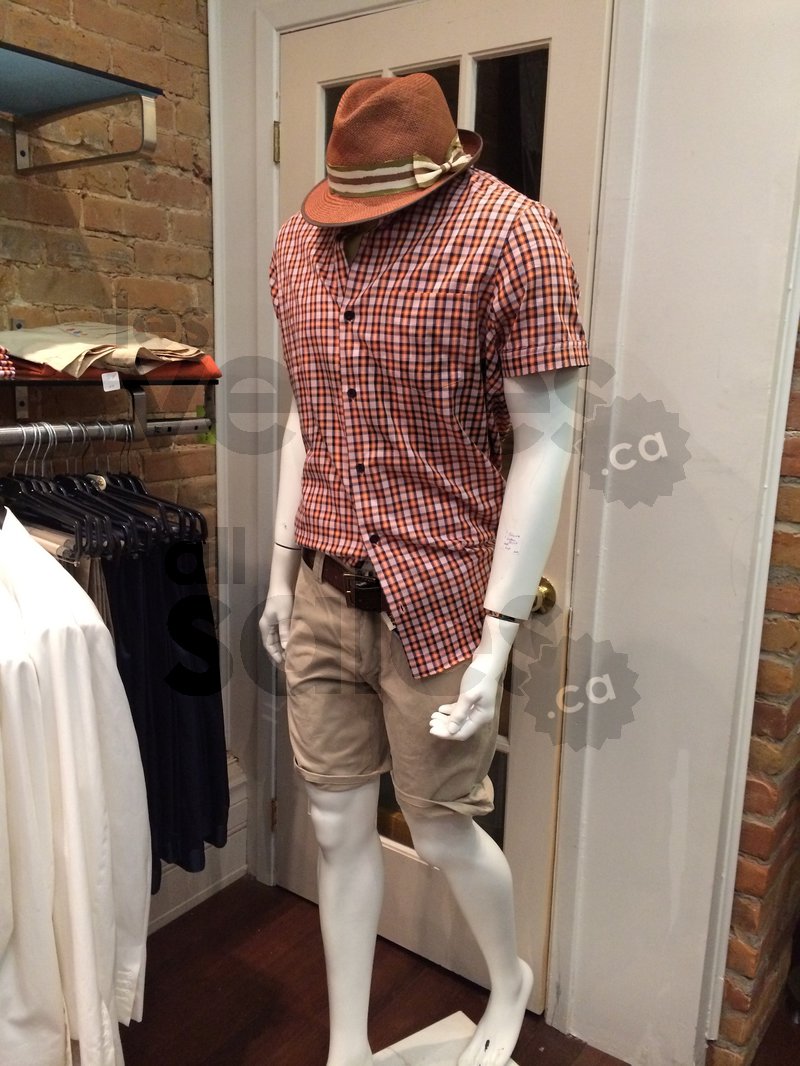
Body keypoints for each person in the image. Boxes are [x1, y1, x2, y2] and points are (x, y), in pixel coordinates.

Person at [260, 73, 588, 1066]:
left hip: (440, 599)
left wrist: (498, 636)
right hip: (319, 587)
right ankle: (346, 1044)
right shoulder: (294, 247)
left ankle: (509, 979)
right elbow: (307, 416)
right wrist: (278, 573)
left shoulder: (512, 235)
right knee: (333, 823)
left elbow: (546, 437)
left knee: (441, 824)